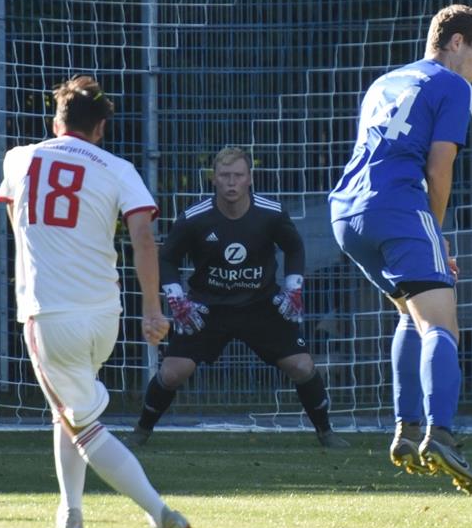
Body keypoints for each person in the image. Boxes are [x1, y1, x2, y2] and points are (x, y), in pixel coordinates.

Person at [0, 75, 191, 528]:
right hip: (105, 314)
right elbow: (144, 239)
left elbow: (16, 224)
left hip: (51, 315)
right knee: (68, 409)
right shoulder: (118, 168)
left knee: (82, 423)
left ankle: (159, 511)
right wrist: (152, 310)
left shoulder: (19, 158)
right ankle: (71, 513)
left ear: (55, 119)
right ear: (101, 127)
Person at [328, 4, 472, 497]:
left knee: (409, 314)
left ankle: (405, 429)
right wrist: (435, 232)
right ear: (457, 43)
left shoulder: (385, 82)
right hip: (398, 207)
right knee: (442, 324)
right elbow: (439, 167)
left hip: (346, 212)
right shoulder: (455, 86)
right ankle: (439, 433)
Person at [126, 146, 349, 450]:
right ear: (214, 179)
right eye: (225, 176)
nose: (231, 183)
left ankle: (326, 432)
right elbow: (167, 259)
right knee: (173, 372)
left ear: (250, 179)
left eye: (238, 176)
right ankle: (141, 431)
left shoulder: (270, 214)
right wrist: (176, 297)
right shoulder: (195, 218)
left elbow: (294, 248)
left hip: (260, 306)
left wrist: (293, 287)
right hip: (207, 307)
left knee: (301, 366)